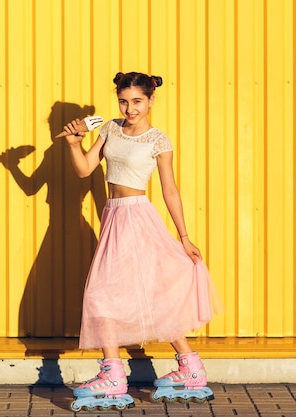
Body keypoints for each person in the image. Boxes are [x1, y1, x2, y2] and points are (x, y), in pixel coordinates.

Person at [63, 72, 222, 412]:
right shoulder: (109, 129)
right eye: (124, 101)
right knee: (132, 295)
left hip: (138, 218)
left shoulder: (158, 141)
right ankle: (189, 367)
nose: (130, 108)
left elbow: (169, 190)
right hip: (114, 217)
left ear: (151, 100)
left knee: (105, 295)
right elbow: (84, 170)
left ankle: (114, 375)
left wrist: (184, 237)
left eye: (137, 101)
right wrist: (75, 144)